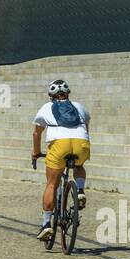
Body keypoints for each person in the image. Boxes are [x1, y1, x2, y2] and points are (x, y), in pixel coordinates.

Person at [31, 80, 91, 242]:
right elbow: (86, 127)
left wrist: (36, 152)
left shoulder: (46, 107)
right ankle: (79, 191)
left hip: (59, 145)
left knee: (52, 184)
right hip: (81, 143)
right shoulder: (79, 106)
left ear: (51, 96)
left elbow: (37, 133)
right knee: (79, 164)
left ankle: (46, 224)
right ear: (68, 94)